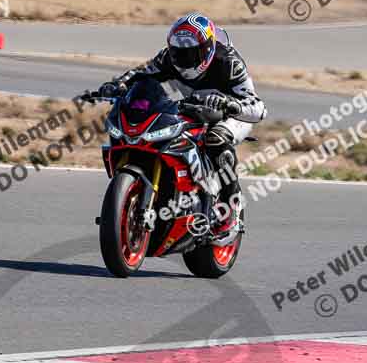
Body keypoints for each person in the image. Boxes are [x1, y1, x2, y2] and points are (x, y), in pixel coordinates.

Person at [96, 12, 267, 227]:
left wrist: (230, 104)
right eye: (178, 54)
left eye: (190, 55)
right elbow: (141, 74)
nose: (183, 60)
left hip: (233, 113)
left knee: (216, 138)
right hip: (192, 105)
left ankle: (230, 207)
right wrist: (119, 84)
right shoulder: (167, 57)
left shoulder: (229, 63)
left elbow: (259, 108)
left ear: (207, 49)